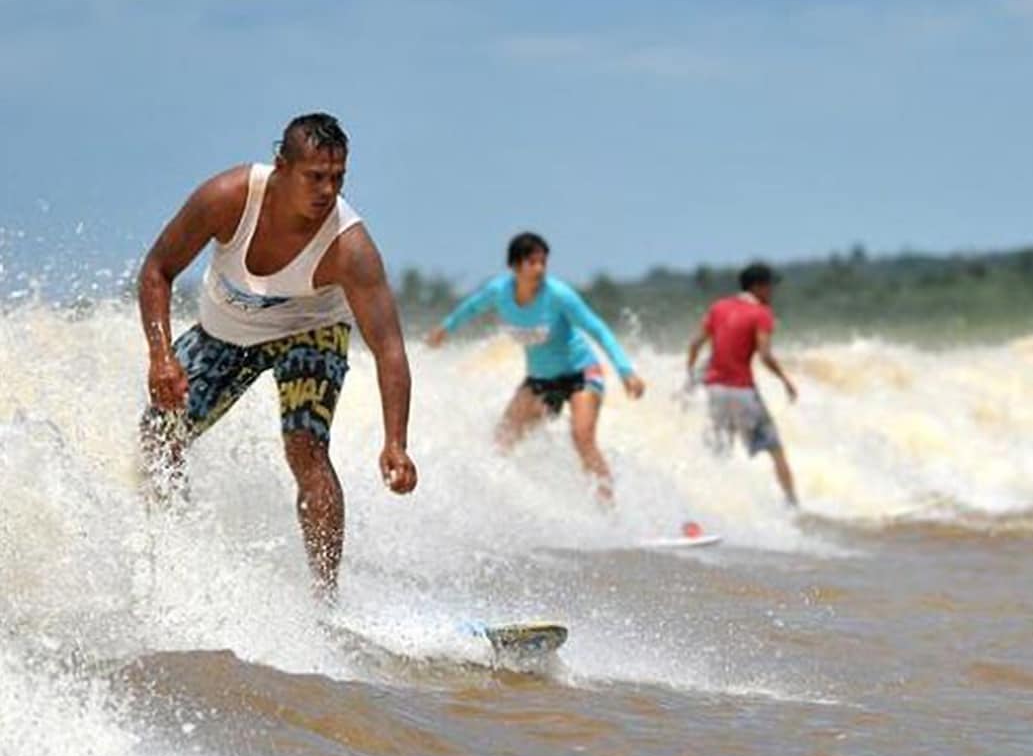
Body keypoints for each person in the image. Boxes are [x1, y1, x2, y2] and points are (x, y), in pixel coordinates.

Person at [137, 112, 418, 602]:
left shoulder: (349, 247)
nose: (328, 190)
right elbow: (157, 270)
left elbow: (389, 348)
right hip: (224, 333)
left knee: (306, 448)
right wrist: (161, 356)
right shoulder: (228, 199)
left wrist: (396, 442)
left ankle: (325, 601)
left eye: (338, 177)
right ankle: (172, 552)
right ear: (281, 166)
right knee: (159, 434)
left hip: (310, 332)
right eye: (315, 176)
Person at [426, 232, 645, 502]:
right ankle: (496, 502)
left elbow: (597, 328)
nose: (540, 269)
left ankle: (608, 507)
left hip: (582, 374)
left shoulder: (558, 294)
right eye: (532, 262)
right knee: (501, 441)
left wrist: (626, 372)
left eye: (543, 262)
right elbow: (470, 309)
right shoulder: (499, 291)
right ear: (515, 266)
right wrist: (444, 330)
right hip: (540, 380)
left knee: (582, 437)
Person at [686, 262, 798, 506]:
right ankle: (792, 505)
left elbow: (695, 344)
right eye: (769, 286)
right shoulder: (762, 313)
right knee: (775, 448)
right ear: (757, 287)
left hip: (714, 390)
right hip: (742, 391)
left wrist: (690, 377)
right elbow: (765, 355)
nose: (772, 291)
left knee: (719, 451)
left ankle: (708, 504)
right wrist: (785, 380)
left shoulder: (718, 307)